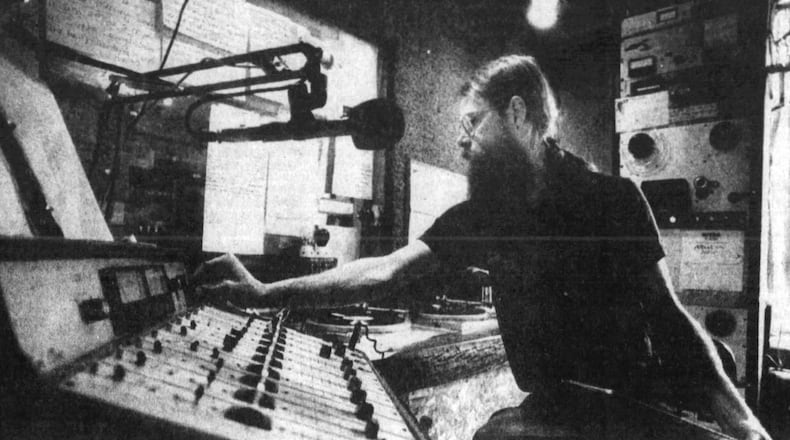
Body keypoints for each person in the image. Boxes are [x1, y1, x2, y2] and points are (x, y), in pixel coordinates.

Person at [194, 55, 771, 440]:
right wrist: (265, 293)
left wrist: (745, 427)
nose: (463, 140)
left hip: (630, 413)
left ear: (517, 113)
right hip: (556, 408)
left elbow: (670, 321)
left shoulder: (612, 199)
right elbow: (387, 271)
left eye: (474, 122)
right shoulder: (491, 213)